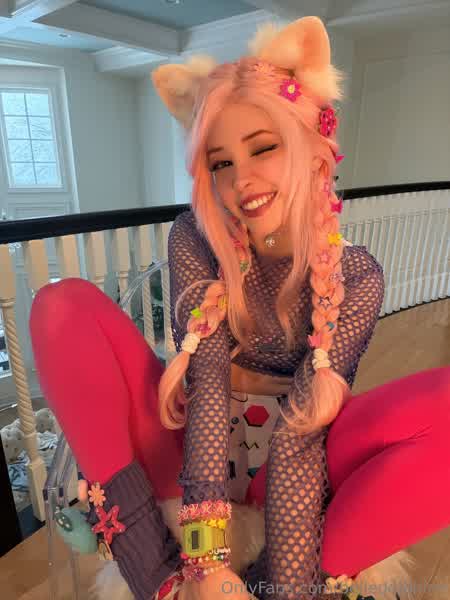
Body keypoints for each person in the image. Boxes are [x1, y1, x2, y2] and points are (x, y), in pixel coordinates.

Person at [29, 16, 450, 600]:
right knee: (59, 305)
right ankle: (156, 573)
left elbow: (302, 434)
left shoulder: (356, 274)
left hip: (297, 456)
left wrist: (284, 579)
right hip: (190, 444)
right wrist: (205, 563)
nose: (241, 179)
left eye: (263, 147)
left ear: (312, 149)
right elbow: (206, 384)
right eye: (220, 162)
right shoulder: (195, 238)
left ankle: (283, 582)